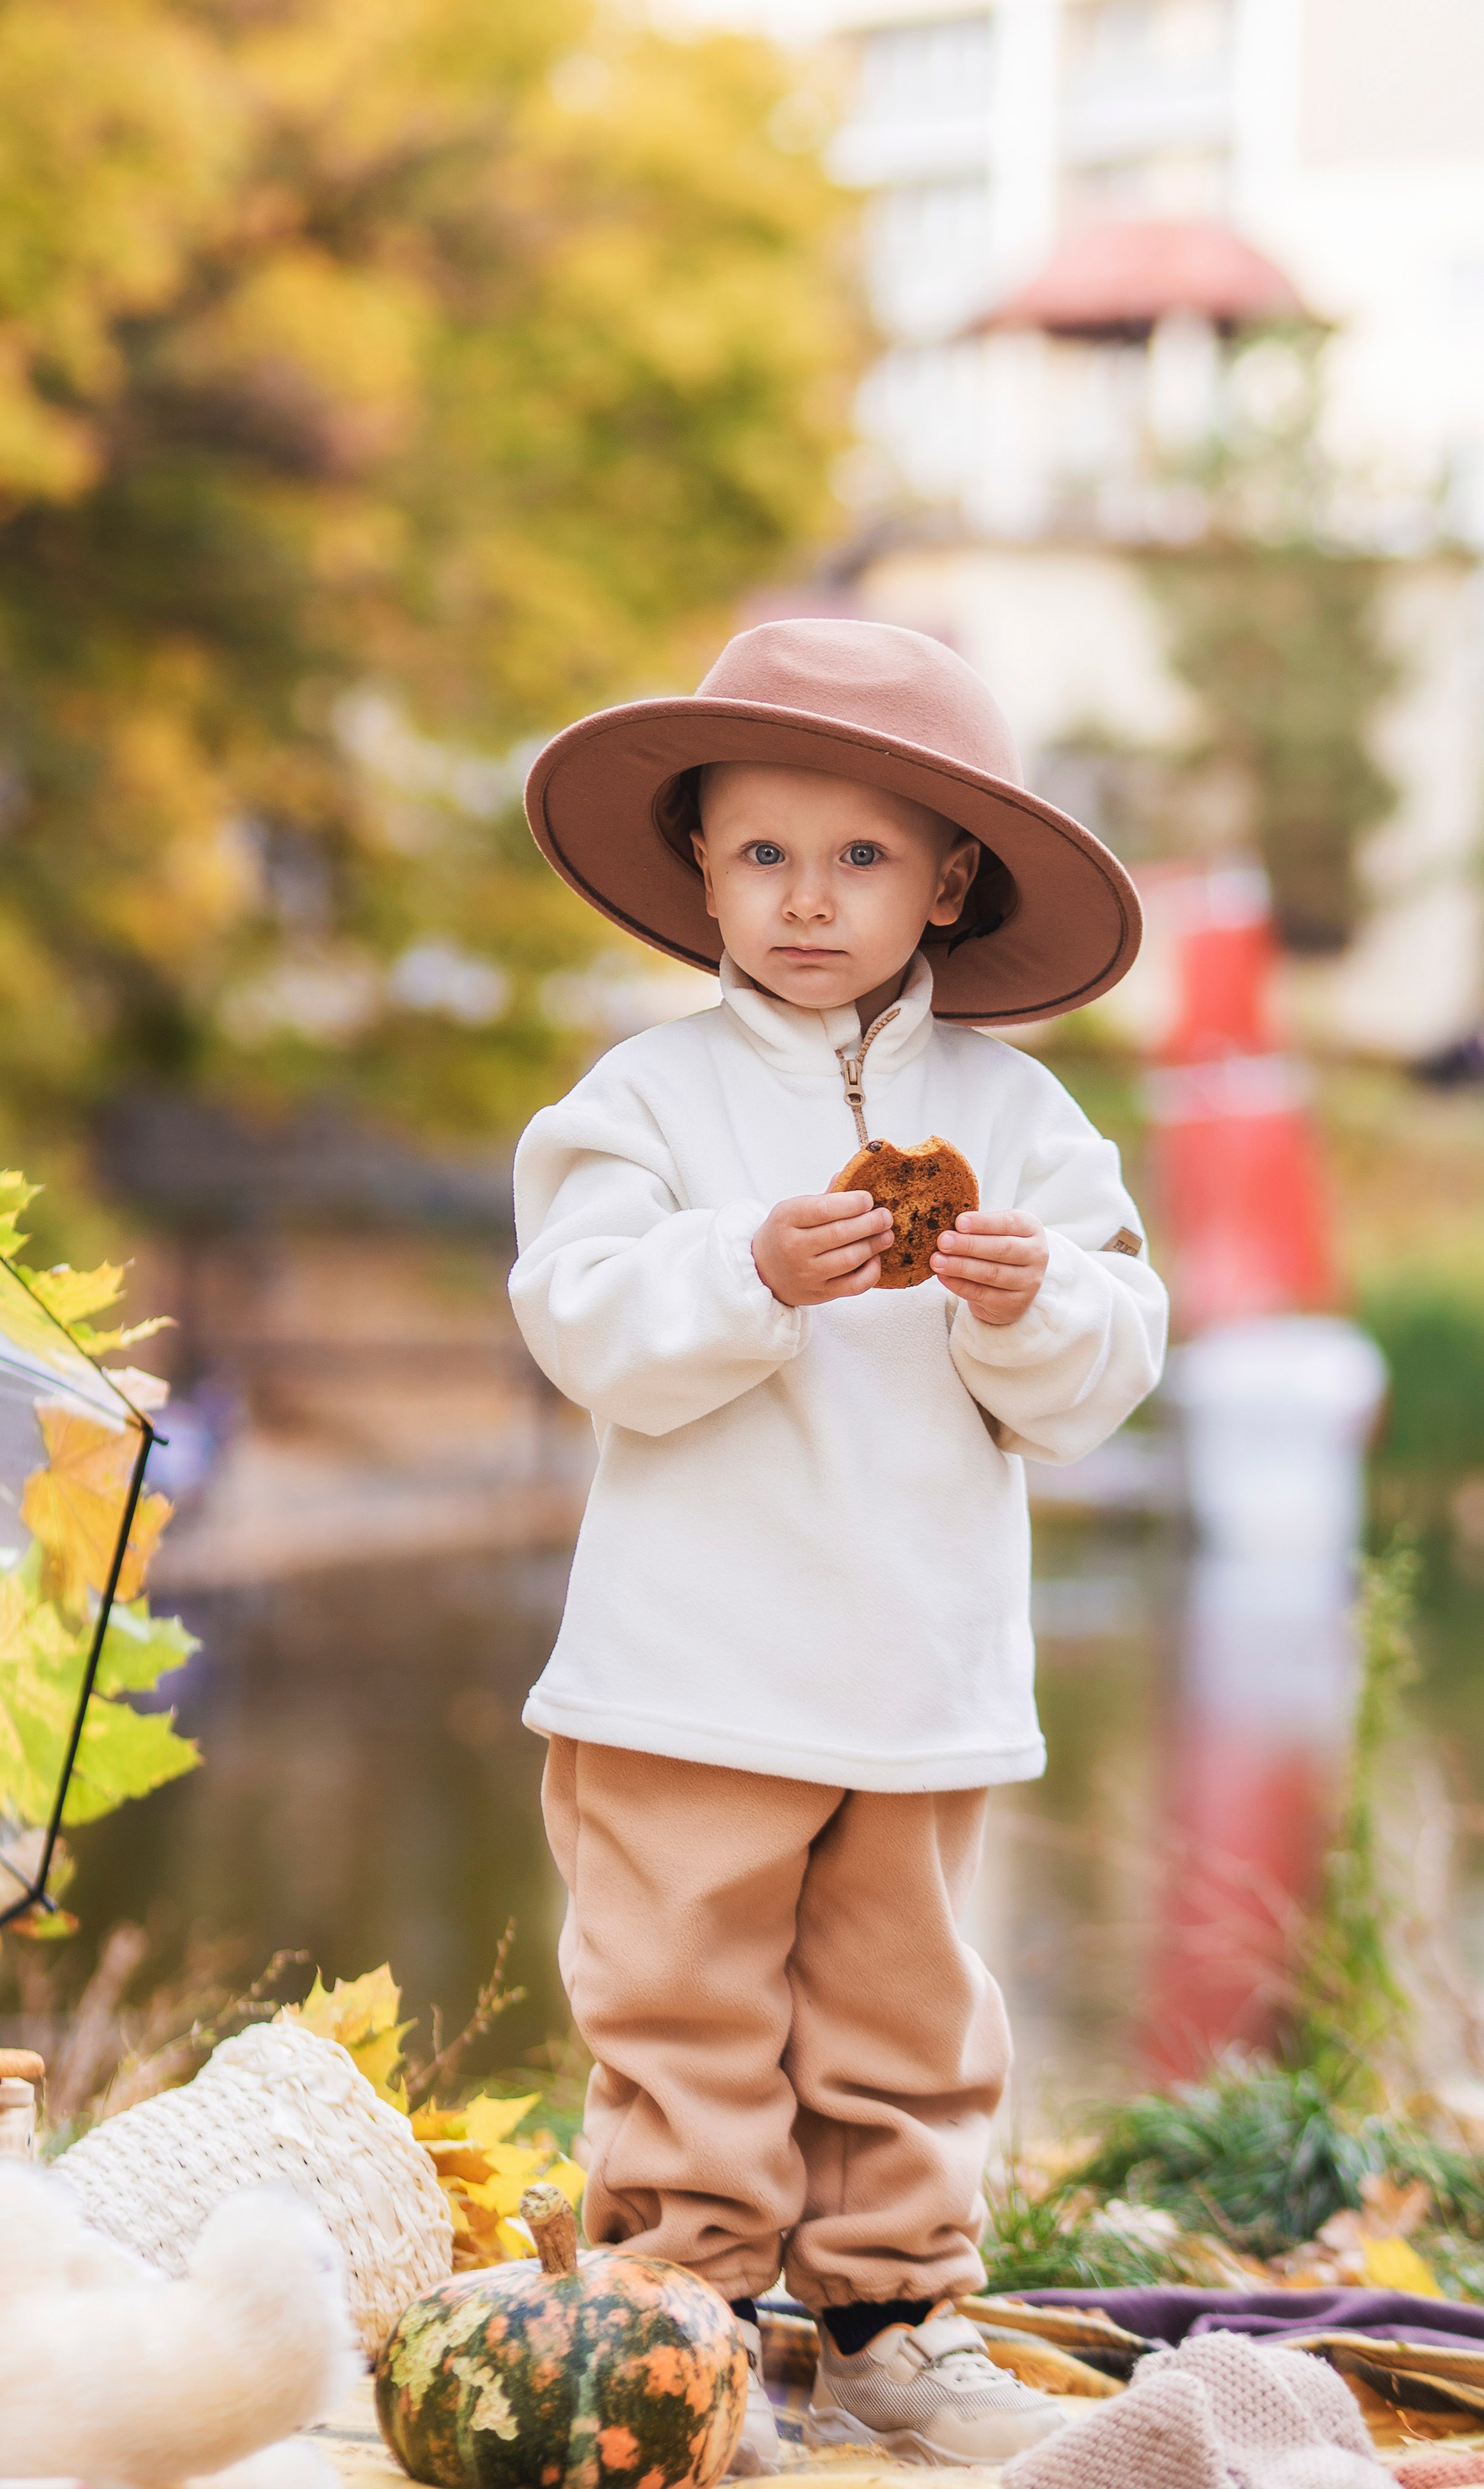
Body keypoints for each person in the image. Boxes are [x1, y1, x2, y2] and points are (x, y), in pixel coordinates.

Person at [508, 620, 1168, 2472]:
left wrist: (1029, 1307)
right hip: (686, 1670)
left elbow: (1108, 1362)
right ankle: (688, 2321)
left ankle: (890, 2321)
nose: (809, 899)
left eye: (864, 854)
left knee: (904, 2019)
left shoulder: (1022, 1121)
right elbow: (581, 1317)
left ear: (950, 880)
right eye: (765, 853)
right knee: (684, 2011)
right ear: (699, 865)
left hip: (916, 1672)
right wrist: (743, 1266)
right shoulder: (642, 1102)